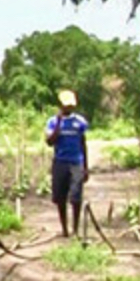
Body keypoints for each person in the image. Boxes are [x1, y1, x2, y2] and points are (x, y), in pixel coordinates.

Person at [45, 89, 89, 238]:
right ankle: (64, 229)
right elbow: (50, 142)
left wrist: (86, 167)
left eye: (71, 106)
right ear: (61, 105)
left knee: (76, 197)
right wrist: (58, 124)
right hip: (60, 163)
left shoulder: (80, 122)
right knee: (60, 198)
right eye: (66, 106)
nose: (69, 108)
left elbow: (83, 144)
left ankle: (75, 229)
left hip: (76, 162)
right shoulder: (52, 122)